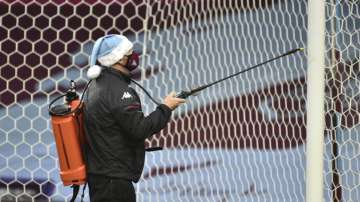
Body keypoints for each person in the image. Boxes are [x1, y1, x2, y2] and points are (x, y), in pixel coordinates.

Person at [83, 34, 185, 202]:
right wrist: (166, 108)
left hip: (101, 176)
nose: (135, 56)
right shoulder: (118, 90)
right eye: (131, 52)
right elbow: (140, 129)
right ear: (121, 59)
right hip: (113, 182)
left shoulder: (96, 85)